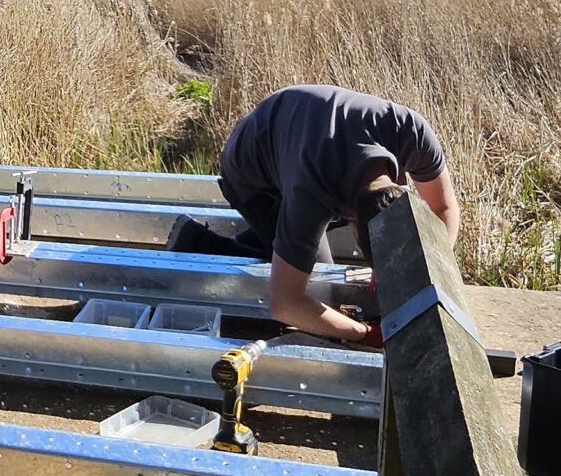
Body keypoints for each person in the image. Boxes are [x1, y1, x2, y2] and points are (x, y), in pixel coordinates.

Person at [170, 84, 460, 344]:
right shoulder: (311, 192)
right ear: (353, 228)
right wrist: (363, 332)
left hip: (299, 131)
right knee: (322, 289)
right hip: (251, 170)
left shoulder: (410, 131)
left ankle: (274, 244)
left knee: (296, 251)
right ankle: (197, 244)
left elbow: (445, 208)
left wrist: (434, 267)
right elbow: (285, 304)